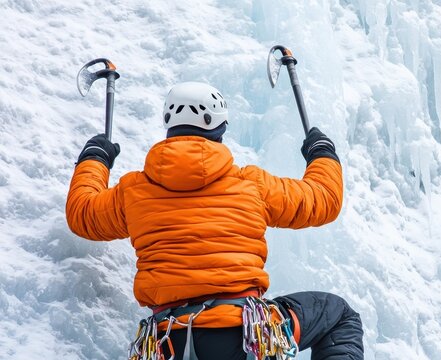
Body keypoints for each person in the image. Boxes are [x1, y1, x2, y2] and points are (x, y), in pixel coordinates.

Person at [66, 82, 364, 359]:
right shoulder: (251, 184)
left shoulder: (133, 191)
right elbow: (323, 199)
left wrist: (95, 157)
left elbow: (83, 213)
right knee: (337, 315)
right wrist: (321, 152)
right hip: (246, 334)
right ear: (220, 131)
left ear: (170, 128)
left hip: (169, 341)